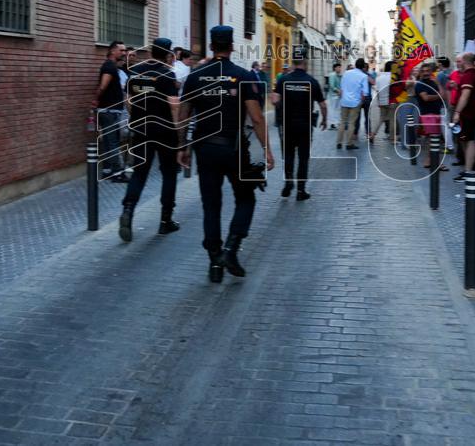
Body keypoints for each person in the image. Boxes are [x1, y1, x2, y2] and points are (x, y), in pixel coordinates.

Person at [178, 26, 274, 283]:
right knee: (246, 199)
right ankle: (230, 249)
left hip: (205, 149)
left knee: (211, 205)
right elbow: (256, 118)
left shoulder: (195, 76)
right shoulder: (243, 76)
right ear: (231, 46)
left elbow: (183, 116)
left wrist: (182, 148)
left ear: (211, 46)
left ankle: (214, 263)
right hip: (233, 149)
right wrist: (267, 151)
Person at [118, 38, 181, 242]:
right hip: (165, 131)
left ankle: (128, 211)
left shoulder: (135, 72)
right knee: (169, 173)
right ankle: (165, 221)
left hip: (141, 130)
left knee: (139, 172)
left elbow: (127, 100)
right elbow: (174, 105)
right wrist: (178, 130)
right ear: (167, 54)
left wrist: (136, 116)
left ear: (152, 51)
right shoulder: (167, 74)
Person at [272, 49, 327, 201]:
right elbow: (322, 105)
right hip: (304, 125)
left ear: (293, 62)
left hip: (287, 124)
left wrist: (280, 101)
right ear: (305, 61)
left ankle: (289, 181)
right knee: (303, 157)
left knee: (288, 155)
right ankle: (301, 191)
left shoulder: (283, 79)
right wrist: (324, 119)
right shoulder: (311, 81)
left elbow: (275, 100)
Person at [94, 40, 129, 183]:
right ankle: (117, 173)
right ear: (113, 51)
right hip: (109, 111)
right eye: (121, 50)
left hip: (111, 110)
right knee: (112, 142)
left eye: (125, 50)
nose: (124, 53)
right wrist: (95, 101)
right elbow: (103, 86)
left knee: (109, 142)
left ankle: (107, 170)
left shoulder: (112, 66)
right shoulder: (109, 66)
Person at [451, 53, 475, 183]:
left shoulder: (468, 75)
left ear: (464, 62)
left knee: (468, 140)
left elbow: (465, 95)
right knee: (465, 140)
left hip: (467, 114)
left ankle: (468, 171)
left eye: (460, 62)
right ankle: (467, 169)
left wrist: (457, 112)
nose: (458, 64)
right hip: (473, 113)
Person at [414, 61, 444, 170]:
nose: (426, 73)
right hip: (428, 114)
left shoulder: (433, 82)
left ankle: (428, 161)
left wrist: (438, 83)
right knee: (434, 138)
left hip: (435, 113)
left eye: (428, 71)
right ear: (421, 73)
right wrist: (438, 96)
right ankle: (436, 163)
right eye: (423, 71)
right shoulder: (420, 84)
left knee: (431, 138)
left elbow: (443, 94)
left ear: (431, 71)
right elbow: (425, 98)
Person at [336, 58, 369, 149]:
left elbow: (341, 87)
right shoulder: (363, 76)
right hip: (355, 102)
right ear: (363, 67)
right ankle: (349, 143)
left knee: (342, 122)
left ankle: (339, 142)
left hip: (344, 101)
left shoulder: (346, 73)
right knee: (351, 123)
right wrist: (361, 100)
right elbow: (365, 93)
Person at [369, 60, 394, 142]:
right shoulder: (393, 78)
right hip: (391, 101)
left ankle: (373, 134)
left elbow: (377, 91)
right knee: (392, 119)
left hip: (382, 101)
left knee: (381, 119)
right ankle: (392, 138)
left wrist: (379, 102)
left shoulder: (379, 78)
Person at [327, 63, 343, 129]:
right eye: (338, 67)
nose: (340, 68)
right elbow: (332, 86)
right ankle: (332, 124)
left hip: (338, 95)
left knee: (338, 109)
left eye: (340, 67)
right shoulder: (332, 75)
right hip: (333, 96)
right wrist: (338, 91)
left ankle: (336, 123)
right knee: (332, 109)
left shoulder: (339, 75)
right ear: (335, 68)